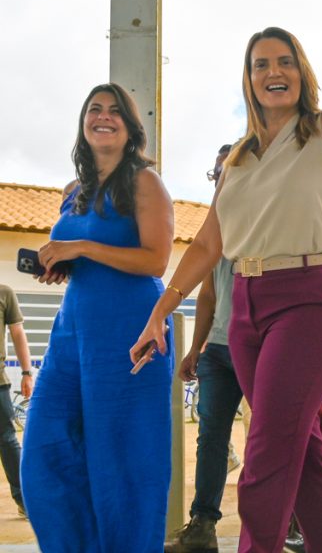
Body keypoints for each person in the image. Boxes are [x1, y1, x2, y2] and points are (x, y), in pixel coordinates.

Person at [133, 0, 322, 553]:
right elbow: (206, 245)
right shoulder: (238, 160)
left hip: (314, 299)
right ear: (248, 81)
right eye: (261, 65)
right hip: (245, 308)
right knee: (301, 453)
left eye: (285, 62)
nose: (274, 72)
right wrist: (160, 311)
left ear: (302, 73)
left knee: (268, 451)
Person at [21, 83, 176, 551]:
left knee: (124, 464)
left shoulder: (145, 182)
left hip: (130, 331)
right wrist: (63, 264)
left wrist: (83, 247)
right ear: (83, 122)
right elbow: (82, 256)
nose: (103, 116)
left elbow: (156, 260)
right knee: (44, 451)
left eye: (114, 111)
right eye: (95, 109)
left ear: (130, 128)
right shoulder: (73, 191)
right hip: (72, 335)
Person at [165, 143, 245, 553]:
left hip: (264, 346)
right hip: (218, 349)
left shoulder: (270, 217)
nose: (221, 180)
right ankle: (203, 525)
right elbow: (209, 295)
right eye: (217, 173)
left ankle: (291, 519)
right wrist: (196, 347)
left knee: (276, 435)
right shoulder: (216, 228)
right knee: (211, 436)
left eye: (228, 170)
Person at [1, 285, 32, 518]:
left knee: (7, 440)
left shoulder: (4, 293)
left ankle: (25, 499)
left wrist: (26, 372)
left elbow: (18, 332)